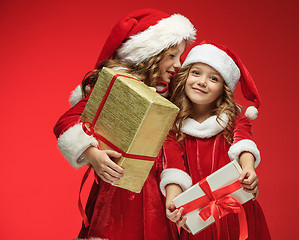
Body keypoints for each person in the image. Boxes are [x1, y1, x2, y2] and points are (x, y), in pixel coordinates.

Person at [53, 8, 196, 240]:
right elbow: (66, 121)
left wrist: (174, 189)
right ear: (150, 53)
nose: (178, 64)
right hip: (116, 189)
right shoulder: (118, 86)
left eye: (180, 56)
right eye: (171, 55)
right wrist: (92, 154)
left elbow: (170, 145)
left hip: (155, 193)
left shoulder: (168, 97)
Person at [160, 40, 271, 240]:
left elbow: (243, 144)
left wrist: (249, 169)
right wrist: (173, 201)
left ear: (223, 88)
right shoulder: (173, 128)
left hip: (238, 214)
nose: (202, 82)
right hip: (201, 220)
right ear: (185, 77)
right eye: (196, 73)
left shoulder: (234, 119)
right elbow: (174, 169)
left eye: (213, 78)